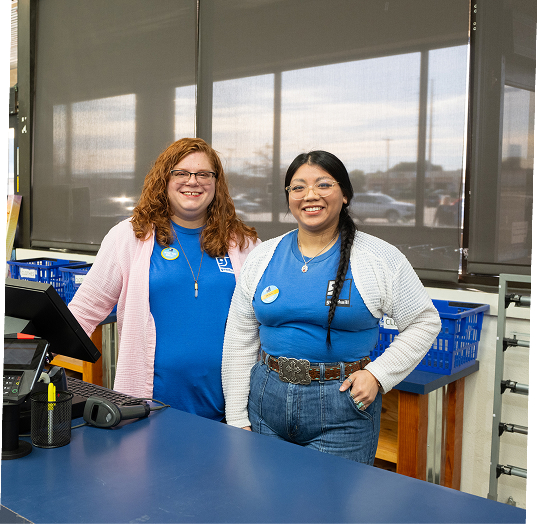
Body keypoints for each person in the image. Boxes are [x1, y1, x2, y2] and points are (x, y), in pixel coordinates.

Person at [222, 150, 441, 464]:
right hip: (265, 399)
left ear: (346, 195)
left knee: (328, 509)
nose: (310, 195)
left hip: (342, 404)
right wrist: (236, 414)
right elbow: (239, 340)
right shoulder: (263, 256)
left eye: (323, 184)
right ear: (288, 198)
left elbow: (424, 321)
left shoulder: (379, 258)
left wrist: (377, 375)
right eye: (298, 187)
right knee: (265, 505)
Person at [69, 137, 260, 421]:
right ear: (165, 179)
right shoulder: (129, 236)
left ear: (216, 182)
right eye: (181, 173)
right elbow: (84, 311)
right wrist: (35, 358)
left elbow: (268, 318)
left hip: (228, 411)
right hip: (147, 408)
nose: (192, 181)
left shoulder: (243, 243)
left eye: (203, 174)